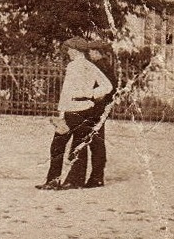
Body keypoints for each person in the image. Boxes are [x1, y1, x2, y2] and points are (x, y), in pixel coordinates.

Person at [39, 37, 113, 190]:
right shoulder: (90, 66)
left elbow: (66, 93)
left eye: (70, 50)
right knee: (79, 145)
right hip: (86, 109)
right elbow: (108, 86)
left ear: (76, 50)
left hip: (72, 110)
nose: (68, 53)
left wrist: (61, 113)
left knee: (58, 145)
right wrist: (92, 94)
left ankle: (54, 180)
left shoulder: (73, 66)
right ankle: (75, 181)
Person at [66, 41, 117, 189]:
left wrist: (93, 97)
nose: (90, 54)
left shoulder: (98, 66)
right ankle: (96, 177)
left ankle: (85, 178)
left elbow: (104, 88)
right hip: (101, 110)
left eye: (92, 52)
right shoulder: (108, 65)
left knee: (86, 141)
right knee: (96, 143)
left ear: (97, 52)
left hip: (94, 109)